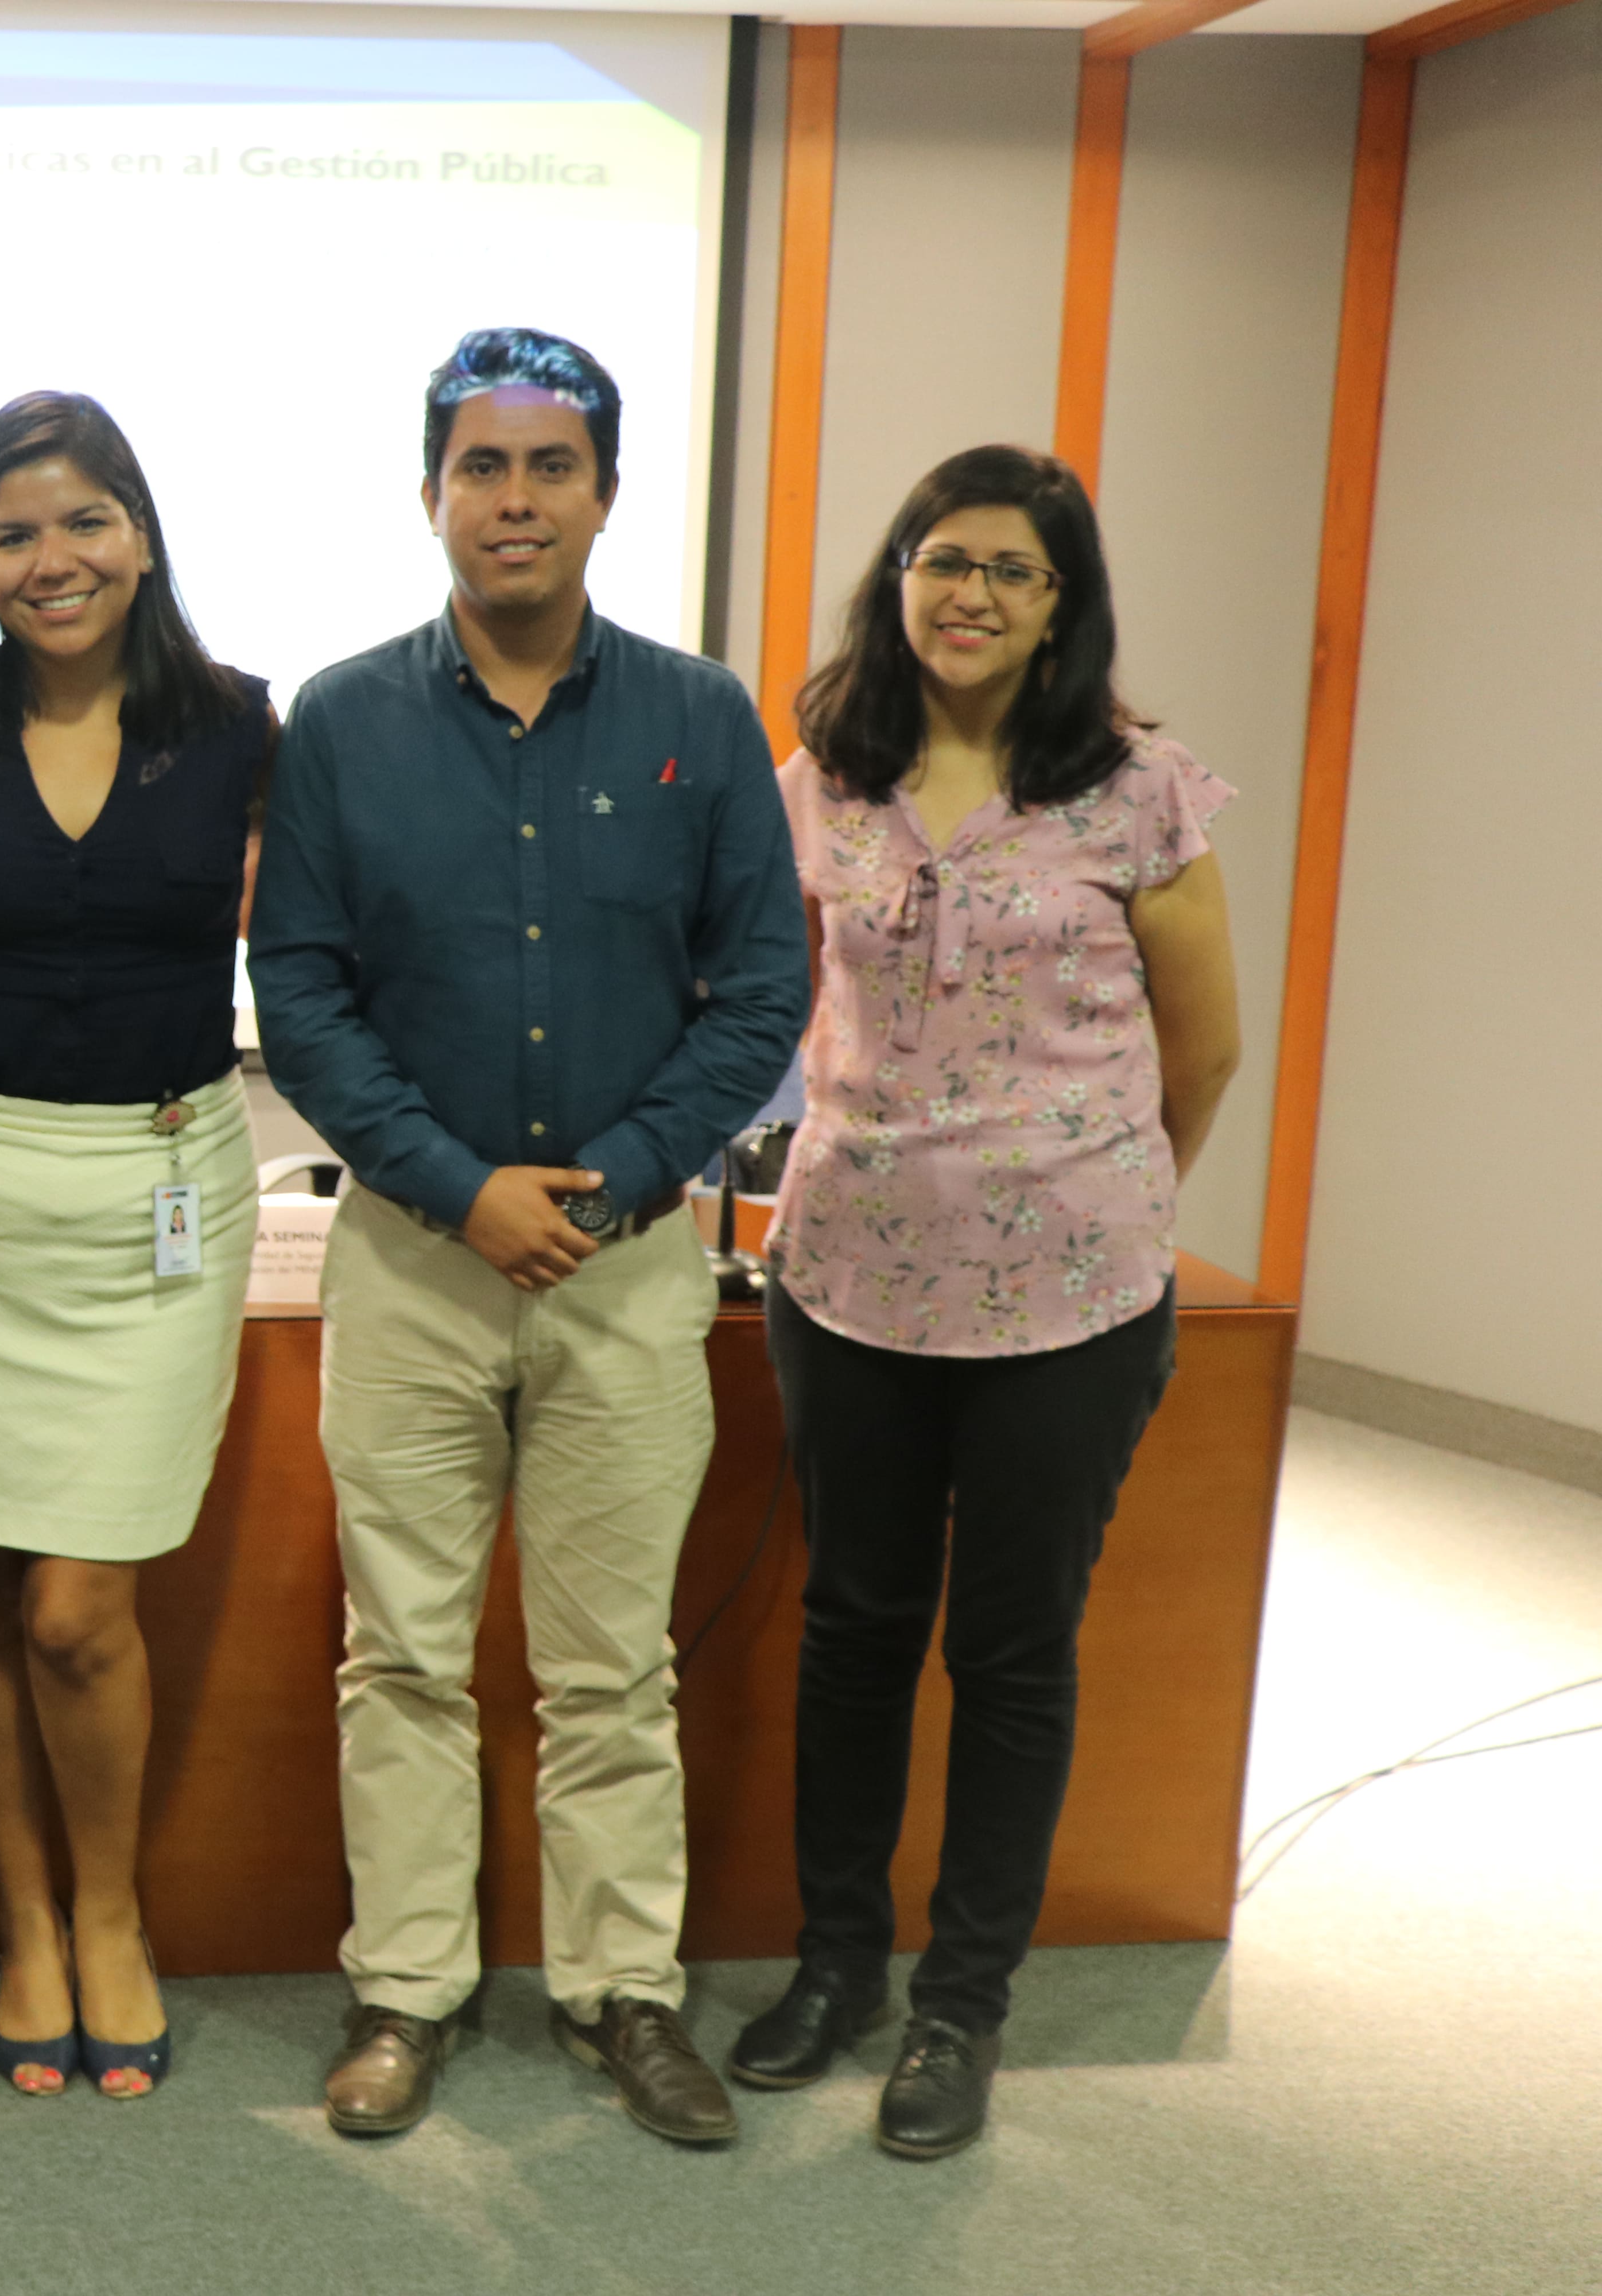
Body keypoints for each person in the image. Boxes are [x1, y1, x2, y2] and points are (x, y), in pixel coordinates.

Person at [249, 329, 808, 2146]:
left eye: (549, 467)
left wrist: (626, 1172)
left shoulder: (700, 718)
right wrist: (454, 1183)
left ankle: (622, 1991)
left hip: (627, 1262)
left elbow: (764, 988)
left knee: (611, 1664)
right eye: (481, 468)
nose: (514, 500)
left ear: (607, 495)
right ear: (431, 495)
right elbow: (300, 990)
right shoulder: (343, 721)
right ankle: (407, 1992)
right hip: (416, 1257)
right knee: (402, 1654)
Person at [732, 445, 1240, 2160]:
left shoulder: (1138, 791)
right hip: (849, 1280)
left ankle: (962, 2007)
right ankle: (837, 1966)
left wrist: (1090, 1196)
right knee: (856, 1629)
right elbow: (776, 1002)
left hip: (1072, 1301)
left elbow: (1206, 1046)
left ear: (1060, 606)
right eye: (944, 559)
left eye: (1013, 571)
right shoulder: (823, 783)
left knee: (1013, 1651)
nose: (970, 594)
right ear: (898, 578)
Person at [0, 392, 276, 2100]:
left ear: (144, 537)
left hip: (163, 1203)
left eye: (85, 521)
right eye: (13, 533)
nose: (53, 559)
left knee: (79, 1610)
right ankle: (28, 1925)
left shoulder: (242, 727)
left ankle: (113, 1913)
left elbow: (317, 951)